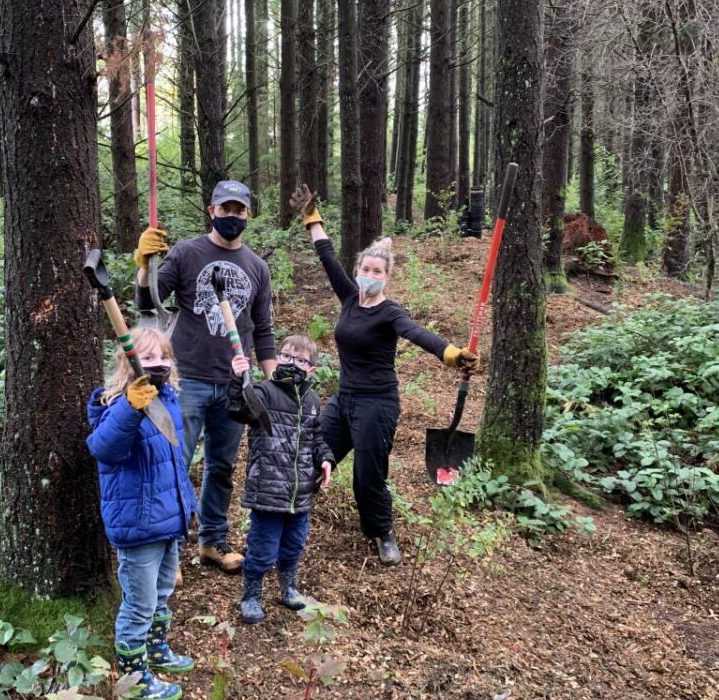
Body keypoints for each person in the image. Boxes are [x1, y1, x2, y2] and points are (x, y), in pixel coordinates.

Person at [289, 185, 477, 565]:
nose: (369, 275)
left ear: (387, 276)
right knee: (309, 453)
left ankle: (381, 531)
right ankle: (288, 516)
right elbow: (326, 257)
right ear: (358, 270)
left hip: (377, 403)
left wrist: (452, 354)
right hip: (344, 399)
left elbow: (416, 333)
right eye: (365, 269)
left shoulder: (390, 312)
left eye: (377, 271)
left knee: (367, 478)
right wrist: (312, 219)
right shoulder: (349, 298)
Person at [134, 180, 278, 574]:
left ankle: (212, 541)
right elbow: (148, 304)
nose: (232, 216)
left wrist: (275, 385)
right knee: (174, 463)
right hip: (188, 379)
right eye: (225, 209)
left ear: (248, 214)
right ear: (212, 211)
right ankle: (169, 551)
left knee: (222, 466)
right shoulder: (185, 253)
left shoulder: (257, 267)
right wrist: (146, 266)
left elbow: (262, 330)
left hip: (234, 384)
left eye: (239, 210)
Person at [87, 327, 197, 700]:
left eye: (163, 357)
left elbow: (174, 462)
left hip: (169, 520)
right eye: (148, 358)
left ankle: (157, 649)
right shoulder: (109, 402)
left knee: (163, 593)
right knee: (140, 602)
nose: (158, 364)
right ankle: (134, 676)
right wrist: (129, 407)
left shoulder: (168, 398)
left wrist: (188, 505)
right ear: (127, 363)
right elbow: (104, 449)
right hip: (138, 524)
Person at [227, 335, 334, 624]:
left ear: (311, 368)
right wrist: (237, 379)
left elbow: (316, 436)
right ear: (278, 359)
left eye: (300, 360)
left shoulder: (311, 400)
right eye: (286, 356)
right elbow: (237, 409)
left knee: (293, 545)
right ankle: (251, 594)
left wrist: (325, 460)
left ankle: (288, 587)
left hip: (300, 493)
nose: (292, 363)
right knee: (262, 548)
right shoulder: (263, 391)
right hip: (268, 489)